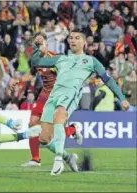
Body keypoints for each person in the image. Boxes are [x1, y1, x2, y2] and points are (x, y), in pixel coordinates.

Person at [30, 29, 130, 175]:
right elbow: (36, 61)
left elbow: (107, 80)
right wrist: (36, 46)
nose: (73, 40)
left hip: (70, 94)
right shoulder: (61, 58)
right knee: (44, 138)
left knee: (59, 116)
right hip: (54, 95)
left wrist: (121, 98)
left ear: (84, 42)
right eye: (70, 38)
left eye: (77, 38)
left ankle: (58, 161)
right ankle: (67, 157)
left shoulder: (91, 61)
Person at [21, 32, 82, 168]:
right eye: (36, 45)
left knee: (48, 136)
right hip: (44, 94)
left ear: (46, 45)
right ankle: (35, 159)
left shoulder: (54, 59)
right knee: (32, 123)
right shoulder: (35, 59)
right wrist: (18, 81)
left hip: (56, 96)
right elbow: (30, 74)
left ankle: (72, 129)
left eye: (41, 44)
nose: (38, 47)